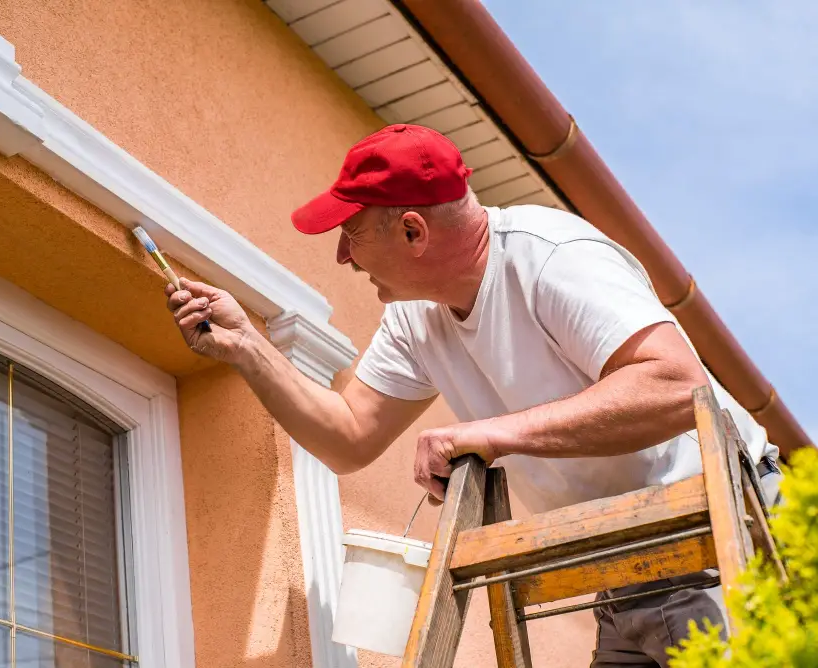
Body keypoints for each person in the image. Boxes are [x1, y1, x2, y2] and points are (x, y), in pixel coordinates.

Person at [164, 124, 783, 666]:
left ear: (413, 231)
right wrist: (247, 346)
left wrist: (487, 435)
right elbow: (349, 437)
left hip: (725, 538)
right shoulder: (417, 320)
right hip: (625, 573)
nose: (343, 255)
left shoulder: (552, 258)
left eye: (352, 233)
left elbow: (675, 385)